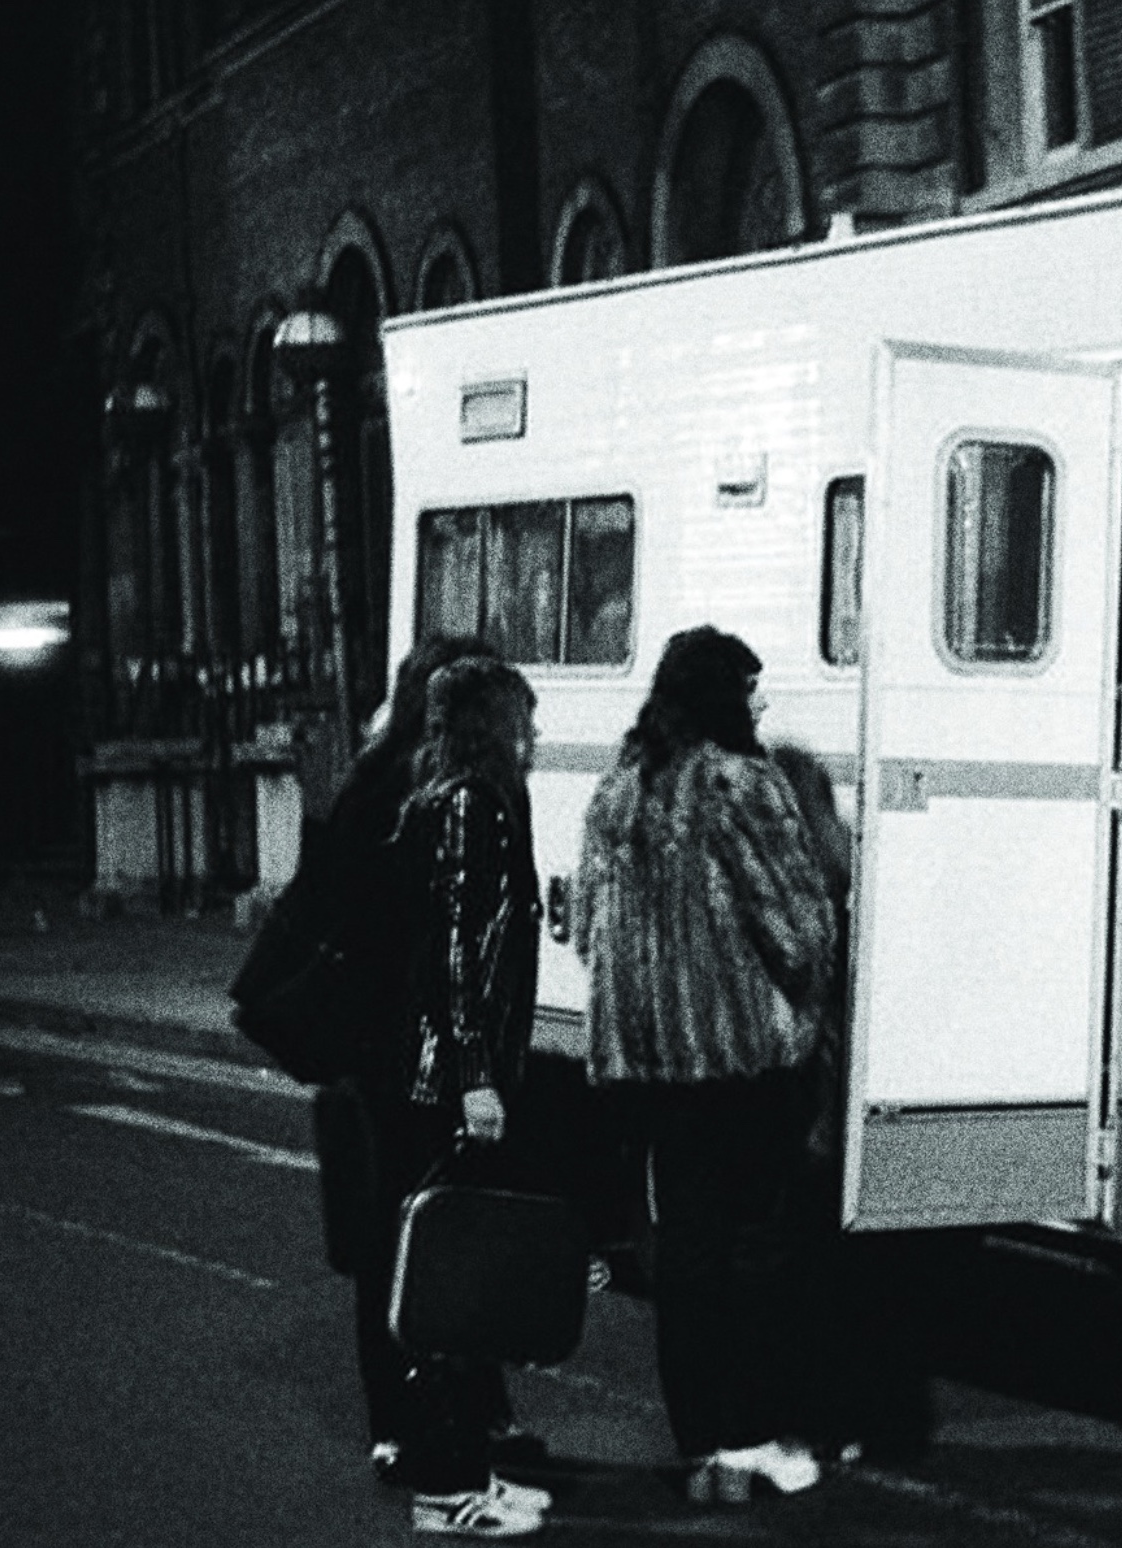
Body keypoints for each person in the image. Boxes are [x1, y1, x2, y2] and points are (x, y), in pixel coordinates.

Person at [233, 634, 548, 1491]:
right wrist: (477, 1065)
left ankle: (407, 1418)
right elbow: (450, 942)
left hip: (367, 1047)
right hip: (420, 1050)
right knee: (449, 1230)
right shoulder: (454, 794)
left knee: (397, 1236)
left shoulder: (378, 783)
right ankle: (460, 1416)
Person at [574, 626, 839, 1503]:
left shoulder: (617, 792)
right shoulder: (740, 784)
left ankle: (701, 1441)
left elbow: (591, 935)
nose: (762, 705)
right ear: (725, 694)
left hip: (650, 1068)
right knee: (756, 1244)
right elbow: (796, 927)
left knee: (683, 1249)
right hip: (740, 1060)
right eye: (752, 688)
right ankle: (753, 1431)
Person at [381, 656, 551, 1537]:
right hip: (449, 1080)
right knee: (454, 1289)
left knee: (460, 1280)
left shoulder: (445, 801)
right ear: (495, 724)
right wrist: (474, 1073)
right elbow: (453, 952)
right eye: (526, 716)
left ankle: (467, 1470)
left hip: (441, 1073)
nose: (536, 733)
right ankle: (450, 1489)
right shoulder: (468, 808)